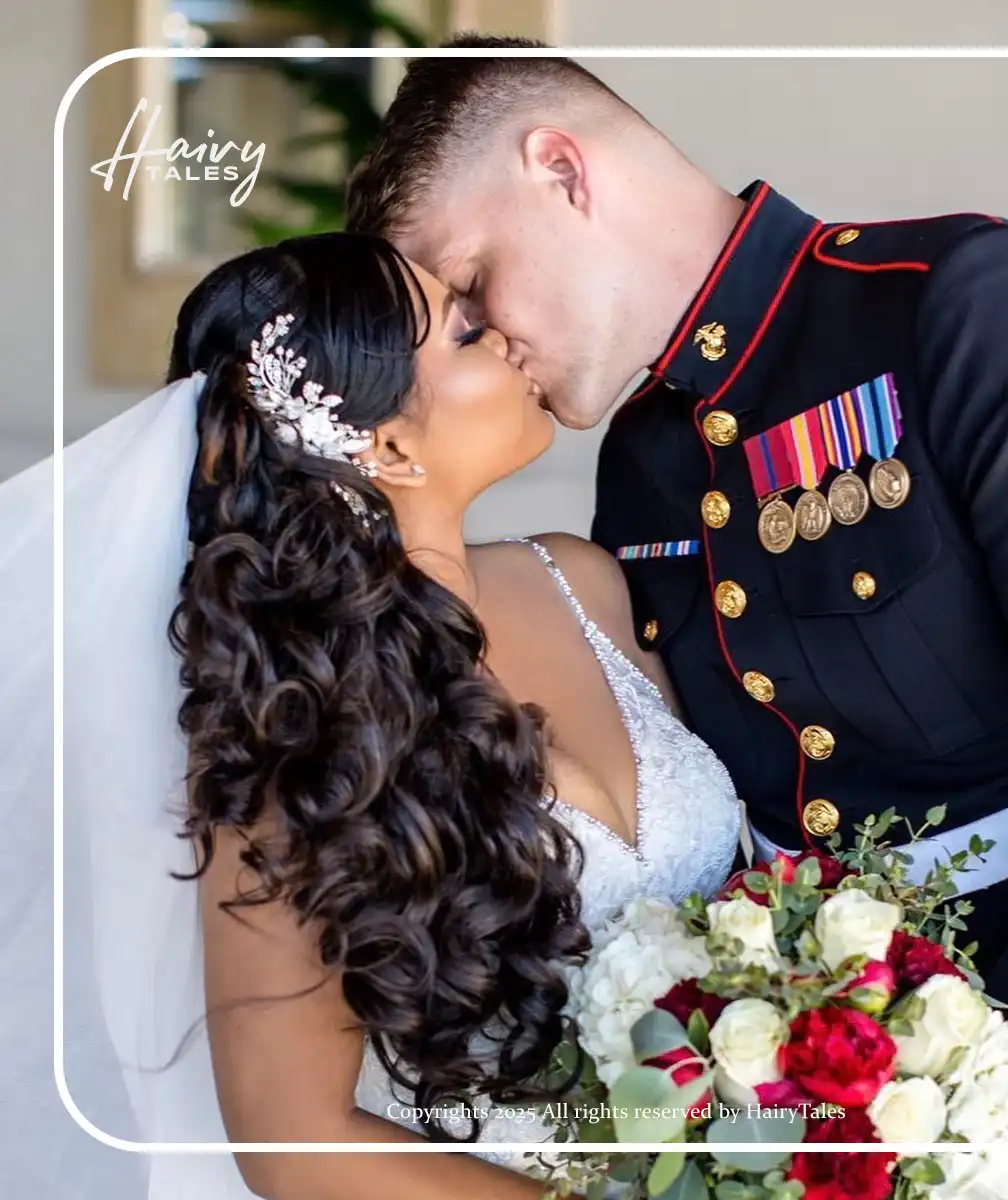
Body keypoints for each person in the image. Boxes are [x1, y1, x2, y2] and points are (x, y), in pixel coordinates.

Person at [344, 36, 1008, 1198]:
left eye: (475, 284)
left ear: (561, 169)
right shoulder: (647, 460)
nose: (489, 342)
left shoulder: (964, 308)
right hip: (823, 1134)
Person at [0, 231, 740, 1198]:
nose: (511, 336)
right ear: (388, 445)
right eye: (470, 332)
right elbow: (289, 1139)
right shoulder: (296, 728)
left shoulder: (583, 580)